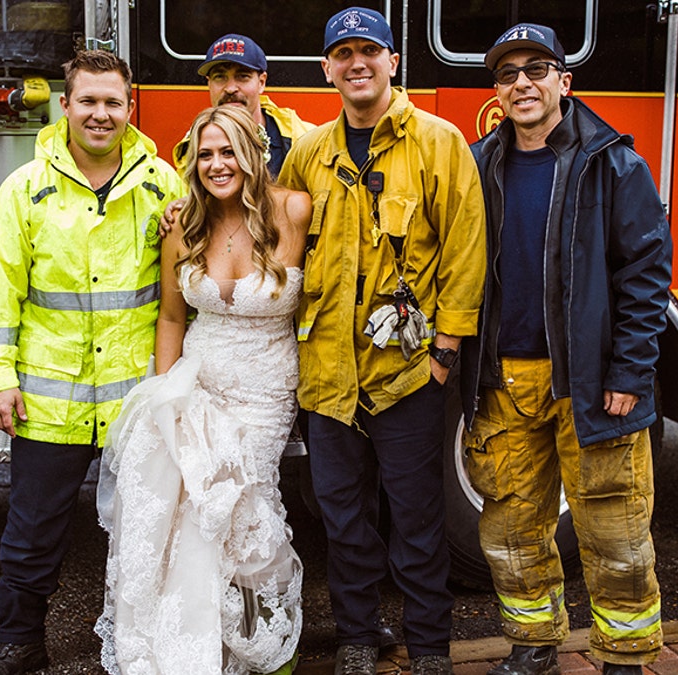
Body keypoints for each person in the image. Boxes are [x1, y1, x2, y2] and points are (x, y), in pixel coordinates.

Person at [275, 8, 486, 675]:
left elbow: (465, 249)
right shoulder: (310, 152)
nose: (357, 62)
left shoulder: (439, 142)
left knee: (418, 520)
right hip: (328, 373)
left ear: (395, 62)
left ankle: (427, 645)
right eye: (344, 53)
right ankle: (359, 635)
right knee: (343, 519)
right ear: (327, 70)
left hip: (408, 371)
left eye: (371, 50)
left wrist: (445, 352)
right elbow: (275, 242)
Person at [461, 23, 673, 675]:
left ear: (564, 81)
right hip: (503, 379)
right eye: (507, 73)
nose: (521, 82)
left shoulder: (613, 161)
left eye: (537, 68)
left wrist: (630, 371)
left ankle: (625, 655)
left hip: (591, 380)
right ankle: (533, 646)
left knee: (615, 528)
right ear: (496, 90)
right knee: (512, 527)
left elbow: (646, 270)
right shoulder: (478, 162)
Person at [0, 49, 184, 675]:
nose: (100, 114)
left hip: (133, 398)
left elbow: (183, 289)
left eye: (112, 102)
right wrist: (0, 379)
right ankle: (19, 641)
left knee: (146, 533)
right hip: (50, 398)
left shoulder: (163, 185)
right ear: (65, 106)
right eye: (87, 101)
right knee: (32, 530)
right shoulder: (23, 189)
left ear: (129, 107)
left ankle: (144, 642)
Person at [95, 105, 311, 675]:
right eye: (206, 154)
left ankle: (264, 646)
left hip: (266, 390)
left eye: (228, 151)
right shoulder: (184, 226)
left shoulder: (293, 209)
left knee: (247, 505)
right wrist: (166, 399)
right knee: (190, 512)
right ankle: (203, 646)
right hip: (198, 383)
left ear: (254, 153)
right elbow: (171, 318)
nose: (217, 164)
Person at [173, 33, 313, 178]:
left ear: (261, 82)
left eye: (242, 76)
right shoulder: (193, 148)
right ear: (209, 84)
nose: (230, 88)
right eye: (220, 77)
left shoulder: (304, 140)